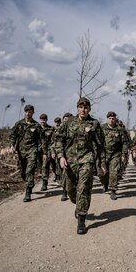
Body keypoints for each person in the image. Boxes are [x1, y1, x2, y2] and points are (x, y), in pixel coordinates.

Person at [54, 98, 106, 234]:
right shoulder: (68, 123)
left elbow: (100, 145)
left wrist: (102, 163)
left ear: (89, 109)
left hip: (87, 159)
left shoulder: (94, 124)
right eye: (81, 107)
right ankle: (78, 205)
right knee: (71, 190)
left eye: (86, 107)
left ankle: (81, 220)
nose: (83, 109)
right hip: (70, 162)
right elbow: (58, 139)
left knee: (83, 188)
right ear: (77, 108)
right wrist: (61, 156)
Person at [10, 104, 47, 202]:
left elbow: (42, 139)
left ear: (33, 113)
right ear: (24, 112)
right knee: (23, 172)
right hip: (21, 152)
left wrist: (44, 152)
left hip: (32, 151)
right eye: (26, 111)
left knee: (29, 171)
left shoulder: (36, 125)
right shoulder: (19, 124)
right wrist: (12, 145)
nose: (28, 113)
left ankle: (28, 192)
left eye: (30, 112)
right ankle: (30, 182)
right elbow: (13, 135)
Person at [99, 112, 129, 200]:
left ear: (115, 119)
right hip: (103, 154)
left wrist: (124, 154)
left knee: (114, 172)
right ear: (107, 119)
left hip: (115, 154)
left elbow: (124, 143)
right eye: (110, 118)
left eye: (113, 118)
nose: (111, 120)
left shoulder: (119, 129)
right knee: (102, 174)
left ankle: (113, 191)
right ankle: (105, 184)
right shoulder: (102, 128)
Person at [39, 113, 55, 191]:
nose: (43, 121)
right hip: (39, 150)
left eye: (44, 120)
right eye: (42, 120)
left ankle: (44, 183)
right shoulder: (37, 128)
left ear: (46, 120)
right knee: (41, 167)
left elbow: (53, 141)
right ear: (40, 120)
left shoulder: (51, 129)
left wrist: (52, 151)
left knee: (46, 166)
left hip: (48, 150)